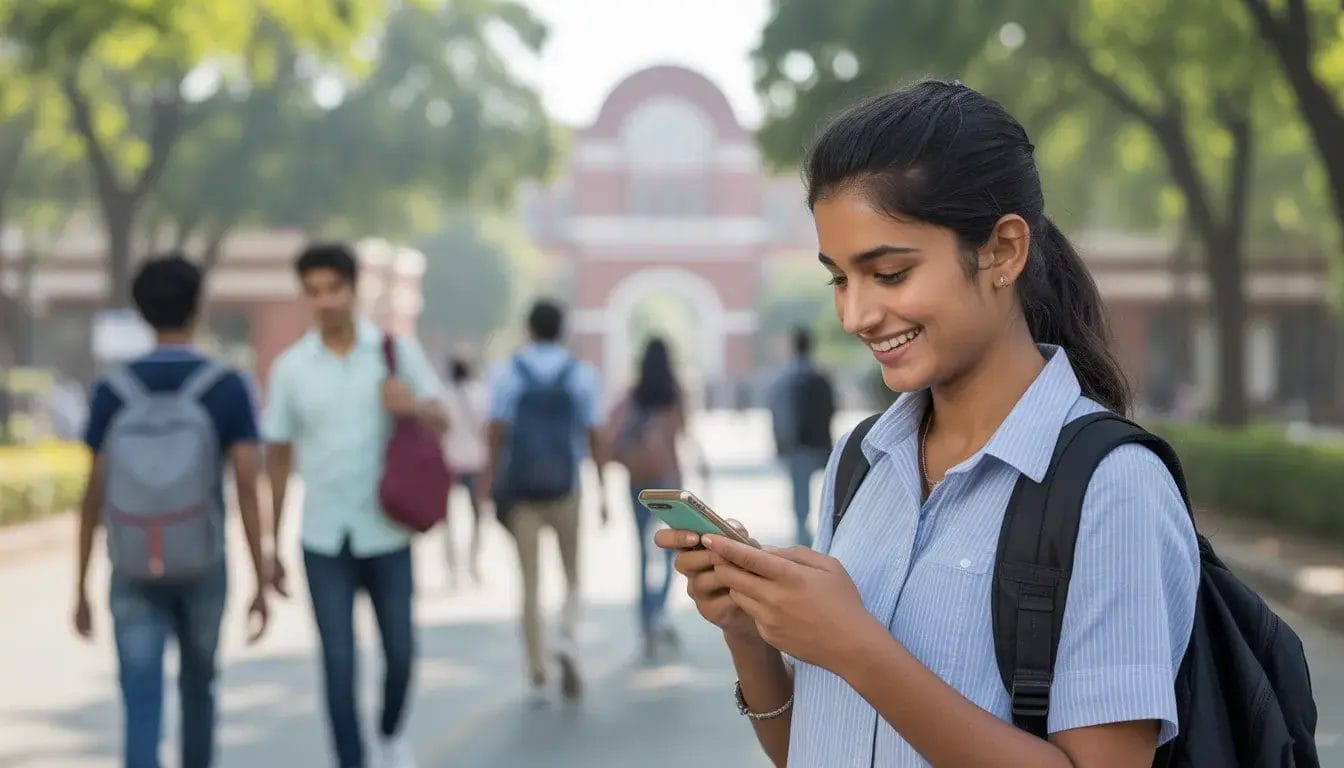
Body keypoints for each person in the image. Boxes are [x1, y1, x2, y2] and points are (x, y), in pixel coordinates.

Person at [657, 80, 1200, 767]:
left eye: (888, 273)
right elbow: (817, 751)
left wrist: (855, 646)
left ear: (1003, 251)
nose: (855, 316)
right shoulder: (864, 462)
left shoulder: (1110, 486)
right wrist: (750, 633)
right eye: (839, 279)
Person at [73, 253, 270, 768]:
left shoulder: (113, 391)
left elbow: (92, 492)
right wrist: (261, 575)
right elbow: (248, 485)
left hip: (132, 561)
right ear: (198, 308)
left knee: (140, 701)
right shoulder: (227, 387)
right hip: (203, 560)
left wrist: (79, 586)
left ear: (141, 311)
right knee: (199, 690)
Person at [262, 243, 447, 768]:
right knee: (338, 662)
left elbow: (444, 422)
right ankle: (351, 760)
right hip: (323, 537)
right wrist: (272, 544)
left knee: (402, 653)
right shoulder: (292, 369)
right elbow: (277, 458)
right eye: (313, 291)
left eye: (332, 288)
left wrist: (410, 406)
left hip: (387, 531)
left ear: (352, 288)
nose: (323, 300)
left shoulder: (392, 351)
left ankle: (389, 735)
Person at [477, 298, 607, 704]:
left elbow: (495, 430)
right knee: (572, 578)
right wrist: (602, 489)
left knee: (529, 582)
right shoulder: (581, 374)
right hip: (566, 487)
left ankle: (536, 672)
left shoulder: (508, 372)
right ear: (562, 329)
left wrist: (489, 482)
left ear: (529, 329)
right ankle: (566, 636)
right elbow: (595, 434)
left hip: (521, 491)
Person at [607, 337, 688, 660]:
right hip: (668, 480)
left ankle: (645, 622)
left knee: (642, 553)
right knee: (670, 552)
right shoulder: (674, 393)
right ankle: (658, 612)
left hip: (637, 481)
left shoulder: (633, 393)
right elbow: (681, 434)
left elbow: (610, 430)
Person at [767, 327, 836, 547]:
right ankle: (824, 539)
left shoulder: (785, 379)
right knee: (830, 496)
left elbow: (779, 413)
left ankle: (804, 542)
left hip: (797, 446)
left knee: (800, 500)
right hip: (820, 444)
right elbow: (831, 409)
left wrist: (780, 443)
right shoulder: (821, 375)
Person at [440, 353, 489, 587]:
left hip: (448, 462)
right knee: (477, 516)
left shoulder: (443, 397)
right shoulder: (479, 395)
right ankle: (473, 562)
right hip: (475, 462)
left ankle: (451, 568)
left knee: (446, 520)